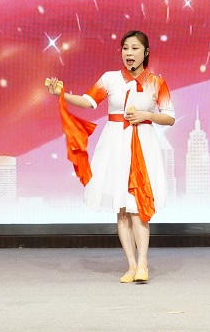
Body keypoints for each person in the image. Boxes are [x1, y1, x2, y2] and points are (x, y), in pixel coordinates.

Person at [46, 30, 175, 283]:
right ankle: (131, 266)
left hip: (143, 144)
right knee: (122, 209)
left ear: (146, 52)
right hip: (116, 144)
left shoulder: (156, 83)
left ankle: (143, 264)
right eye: (125, 48)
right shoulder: (110, 79)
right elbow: (88, 101)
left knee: (138, 206)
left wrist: (147, 115)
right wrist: (61, 94)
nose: (129, 53)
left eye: (135, 48)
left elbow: (169, 117)